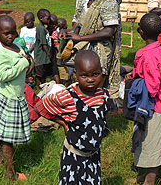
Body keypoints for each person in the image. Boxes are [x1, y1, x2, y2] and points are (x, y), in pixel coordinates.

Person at [37, 50, 115, 185]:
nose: (90, 79)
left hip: (93, 156)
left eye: (95, 74)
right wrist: (63, 123)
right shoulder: (69, 97)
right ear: (75, 75)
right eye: (84, 75)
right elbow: (40, 107)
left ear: (101, 73)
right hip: (73, 157)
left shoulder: (103, 94)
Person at [0, 15, 32, 181]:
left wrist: (26, 63)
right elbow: (2, 75)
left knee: (2, 132)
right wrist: (23, 64)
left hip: (15, 95)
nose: (11, 36)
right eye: (6, 33)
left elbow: (23, 63)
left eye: (13, 32)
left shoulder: (14, 46)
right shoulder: (2, 52)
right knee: (7, 139)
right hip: (8, 98)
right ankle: (9, 173)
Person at [128, 12, 161, 185]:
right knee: (148, 141)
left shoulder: (145, 55)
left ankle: (150, 179)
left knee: (151, 143)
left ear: (141, 32)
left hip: (153, 106)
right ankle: (143, 175)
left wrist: (136, 81)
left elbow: (152, 86)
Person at [65, 0, 121, 97]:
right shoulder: (84, 2)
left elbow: (109, 31)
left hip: (100, 52)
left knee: (95, 89)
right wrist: (67, 32)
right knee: (82, 88)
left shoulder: (108, 2)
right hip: (84, 51)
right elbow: (79, 25)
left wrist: (80, 38)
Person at [34, 9, 60, 85]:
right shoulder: (40, 29)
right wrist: (48, 53)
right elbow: (43, 43)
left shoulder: (43, 28)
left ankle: (43, 86)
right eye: (47, 19)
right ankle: (38, 87)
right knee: (39, 74)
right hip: (41, 55)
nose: (48, 21)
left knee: (43, 73)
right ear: (41, 18)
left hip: (44, 55)